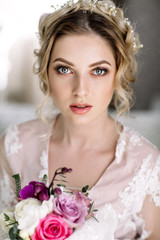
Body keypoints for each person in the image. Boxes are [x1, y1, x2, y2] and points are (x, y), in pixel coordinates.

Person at [0, 0, 160, 239]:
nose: (80, 90)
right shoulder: (14, 146)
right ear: (46, 72)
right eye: (65, 69)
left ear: (118, 74)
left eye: (98, 71)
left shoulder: (146, 167)